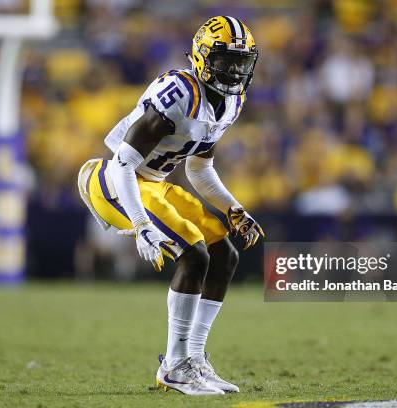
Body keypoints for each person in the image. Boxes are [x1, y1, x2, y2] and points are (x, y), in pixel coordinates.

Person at [78, 16, 264, 395]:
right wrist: (142, 226)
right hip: (116, 182)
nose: (234, 71)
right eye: (226, 60)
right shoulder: (179, 91)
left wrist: (233, 208)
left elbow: (199, 168)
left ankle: (193, 358)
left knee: (223, 253)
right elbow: (124, 163)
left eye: (241, 63)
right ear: (201, 57)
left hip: (154, 185)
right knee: (194, 254)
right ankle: (175, 366)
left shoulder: (230, 103)